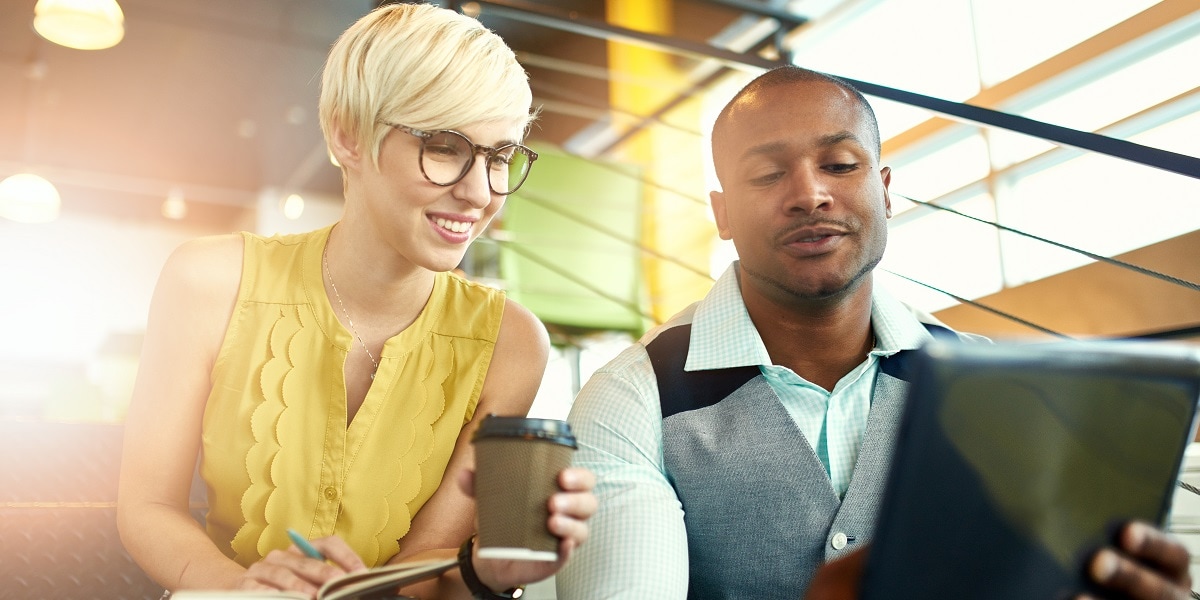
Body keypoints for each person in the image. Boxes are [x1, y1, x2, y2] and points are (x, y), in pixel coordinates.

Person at [556, 65, 1193, 599]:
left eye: (839, 163)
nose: (809, 194)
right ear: (722, 214)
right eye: (767, 174)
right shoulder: (630, 400)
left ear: (884, 191)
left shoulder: (987, 387)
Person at [117, 4, 595, 599]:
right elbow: (148, 507)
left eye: (499, 157)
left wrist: (487, 571)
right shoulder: (209, 280)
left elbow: (428, 570)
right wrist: (244, 592)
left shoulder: (512, 343)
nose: (479, 193)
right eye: (445, 146)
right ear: (348, 136)